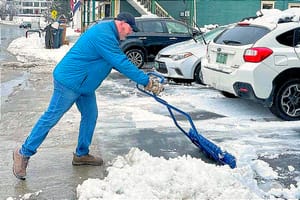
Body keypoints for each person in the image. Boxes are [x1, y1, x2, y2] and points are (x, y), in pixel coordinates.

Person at [13, 12, 164, 180]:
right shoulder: (104, 34)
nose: (130, 32)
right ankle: (23, 153)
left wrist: (145, 79)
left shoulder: (109, 33)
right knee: (51, 117)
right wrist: (146, 81)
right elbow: (120, 62)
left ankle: (81, 154)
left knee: (90, 115)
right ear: (121, 23)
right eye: (130, 28)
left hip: (84, 85)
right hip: (69, 82)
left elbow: (113, 60)